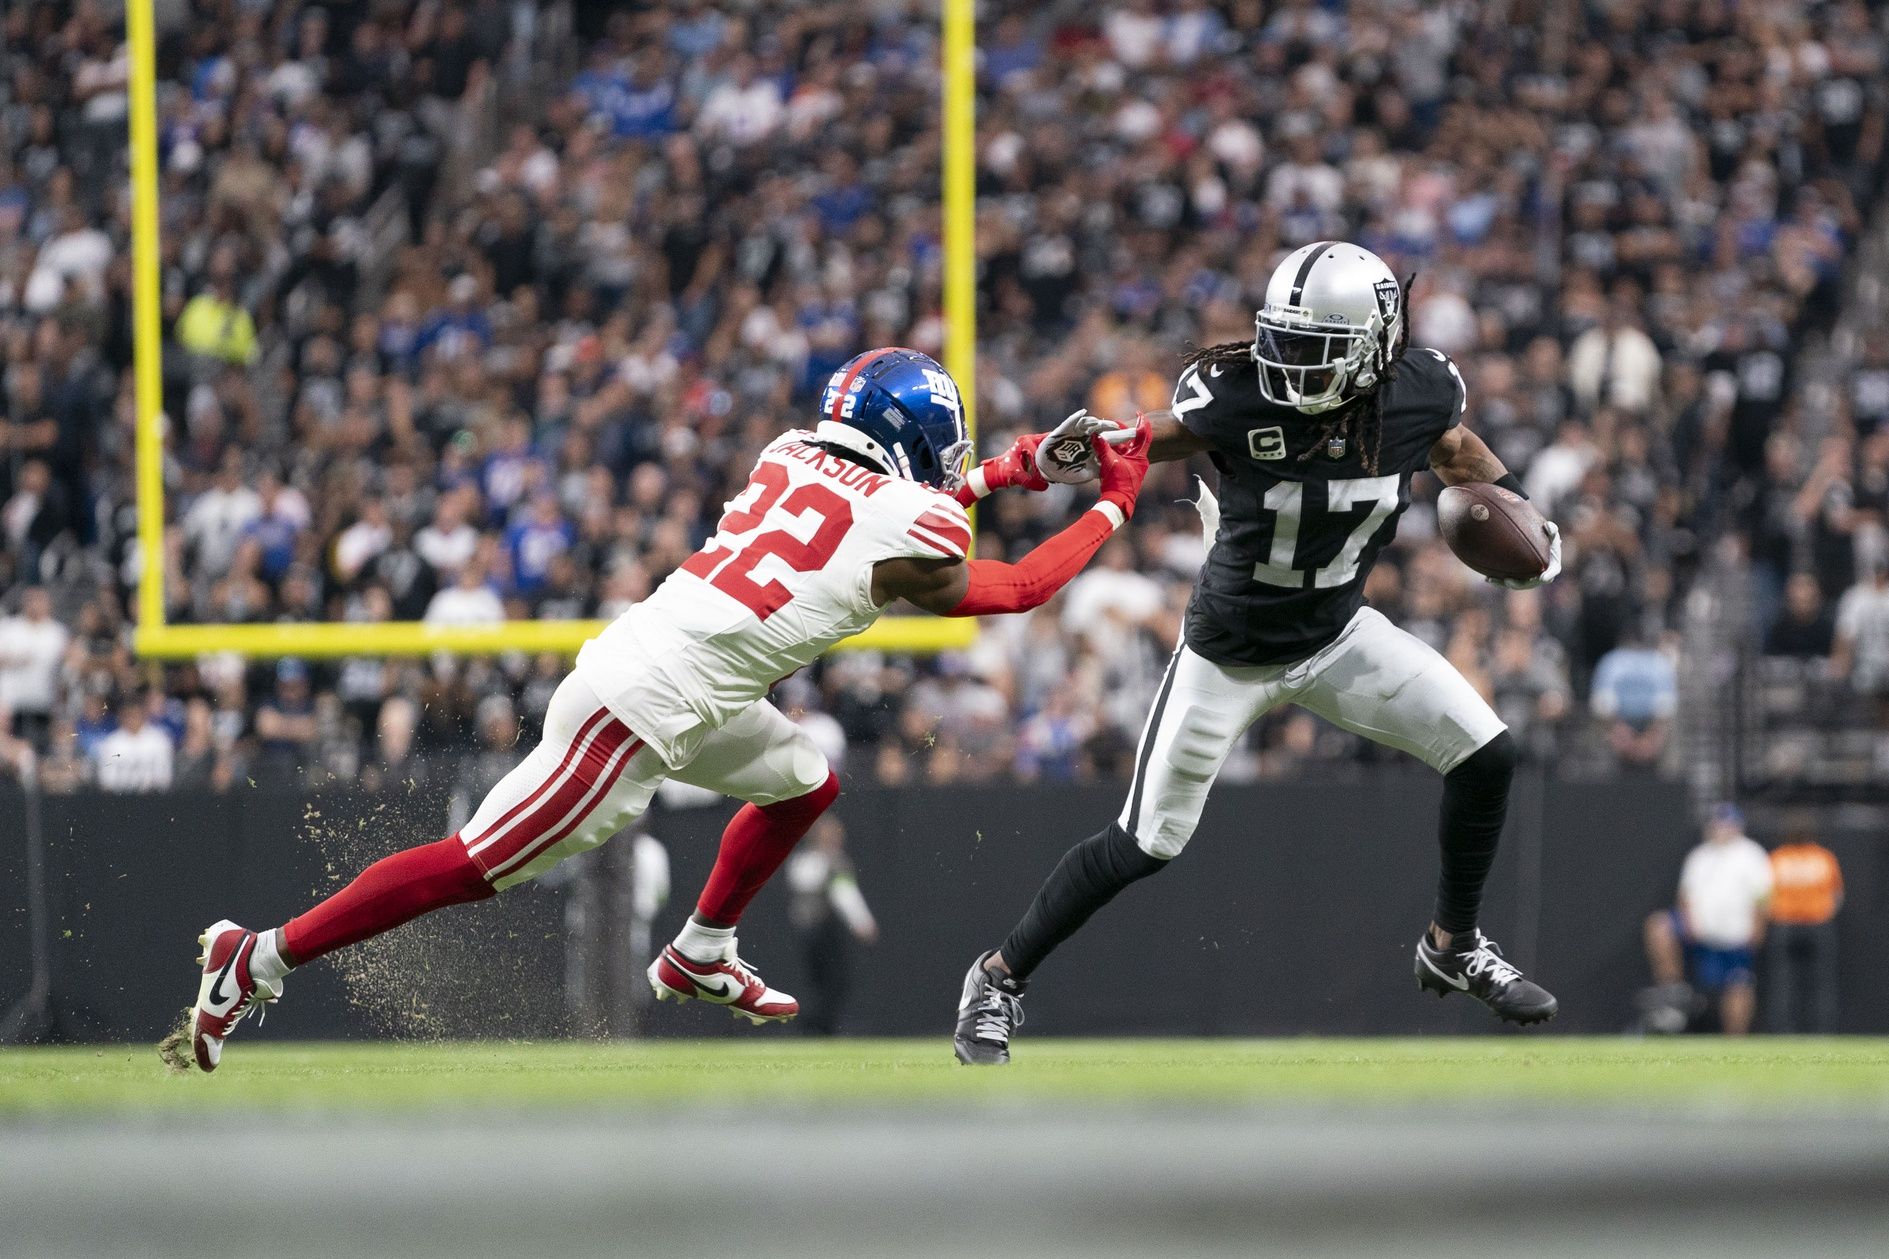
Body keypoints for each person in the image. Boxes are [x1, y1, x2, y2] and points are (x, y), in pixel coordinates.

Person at [167, 348, 1152, 1073]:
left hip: (677, 682)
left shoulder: (789, 453)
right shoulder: (910, 521)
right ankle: (256, 955)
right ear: (906, 440)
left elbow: (880, 523)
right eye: (940, 448)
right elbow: (1014, 584)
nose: (948, 465)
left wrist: (1012, 470)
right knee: (473, 866)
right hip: (635, 712)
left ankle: (699, 948)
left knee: (804, 780)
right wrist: (1108, 502)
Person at [952, 242, 1564, 1065]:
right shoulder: (1236, 396)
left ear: (1375, 346)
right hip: (1228, 653)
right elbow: (1151, 438)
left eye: (1315, 351)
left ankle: (1451, 944)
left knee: (1486, 754)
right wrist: (1073, 454)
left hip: (1338, 634)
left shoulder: (1420, 391)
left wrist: (1514, 507)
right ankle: (995, 978)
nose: (1289, 367)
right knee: (1143, 842)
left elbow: (1455, 453)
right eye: (1281, 341)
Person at [1642, 804, 1773, 1036]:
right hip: (1699, 931)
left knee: (1738, 985)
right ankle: (1673, 989)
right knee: (1659, 926)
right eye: (1717, 824)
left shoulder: (1752, 855)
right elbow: (1685, 895)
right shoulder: (1700, 855)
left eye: (1725, 824)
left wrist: (1757, 930)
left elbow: (1762, 899)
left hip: (1736, 935)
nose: (1720, 829)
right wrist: (1689, 921)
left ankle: (1736, 1041)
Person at [785, 816, 878, 1035]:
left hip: (805, 931)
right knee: (834, 980)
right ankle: (821, 1025)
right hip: (825, 930)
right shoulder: (833, 861)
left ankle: (817, 1024)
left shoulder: (800, 861)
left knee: (819, 981)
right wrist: (863, 923)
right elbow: (845, 895)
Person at [1765, 822, 1843, 1034]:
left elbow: (1765, 895)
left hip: (1785, 925)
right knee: (1821, 983)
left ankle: (1783, 1032)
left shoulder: (1778, 858)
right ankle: (1822, 1032)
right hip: (1817, 924)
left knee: (1783, 983)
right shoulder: (1823, 857)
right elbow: (1837, 897)